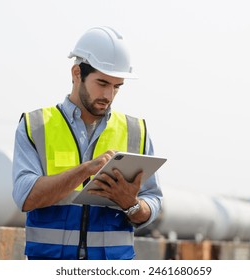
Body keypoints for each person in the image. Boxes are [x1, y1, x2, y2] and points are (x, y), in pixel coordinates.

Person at [12, 26, 163, 260]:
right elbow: (26, 196)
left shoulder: (136, 131)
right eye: (102, 83)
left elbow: (152, 202)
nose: (109, 95)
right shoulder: (36, 125)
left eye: (117, 86)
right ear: (76, 74)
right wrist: (86, 170)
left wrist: (131, 204)